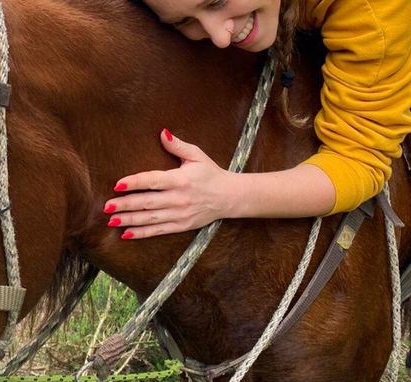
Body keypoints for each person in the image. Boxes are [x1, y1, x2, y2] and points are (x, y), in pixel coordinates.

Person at [104, 0, 411, 240]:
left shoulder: (373, 14)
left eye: (217, 2)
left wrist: (223, 195)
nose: (219, 37)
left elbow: (358, 161)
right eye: (183, 21)